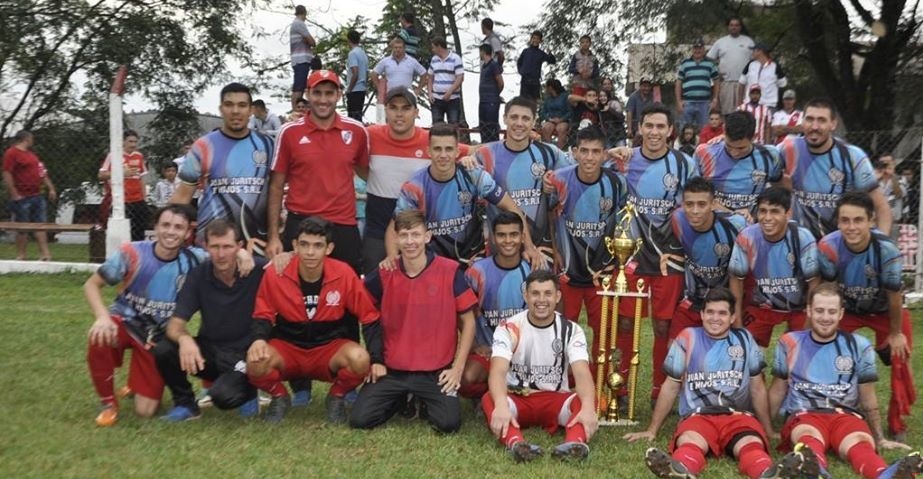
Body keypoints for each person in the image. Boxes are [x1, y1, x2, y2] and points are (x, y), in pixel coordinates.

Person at [624, 288, 799, 479]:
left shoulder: (745, 339)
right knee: (689, 441)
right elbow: (671, 386)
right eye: (710, 312)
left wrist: (767, 428)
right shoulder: (687, 337)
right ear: (702, 314)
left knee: (751, 442)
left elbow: (757, 388)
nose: (715, 318)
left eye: (722, 313)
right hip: (698, 416)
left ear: (732, 317)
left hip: (737, 416)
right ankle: (680, 471)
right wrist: (652, 429)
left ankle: (767, 474)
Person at [768, 282, 923, 479]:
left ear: (841, 313)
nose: (825, 317)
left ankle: (884, 475)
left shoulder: (860, 346)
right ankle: (816, 471)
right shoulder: (789, 342)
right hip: (806, 413)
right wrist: (767, 428)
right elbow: (777, 390)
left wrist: (879, 438)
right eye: (819, 311)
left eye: (831, 311)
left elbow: (867, 395)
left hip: (846, 415)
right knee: (807, 437)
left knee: (859, 442)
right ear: (808, 311)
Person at [350, 209, 476, 433]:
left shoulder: (449, 271)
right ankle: (400, 399)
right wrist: (375, 359)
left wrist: (457, 368)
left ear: (427, 237)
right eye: (404, 235)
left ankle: (421, 399)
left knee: (448, 424)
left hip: (435, 370)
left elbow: (468, 321)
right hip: (394, 370)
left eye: (416, 235)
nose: (410, 242)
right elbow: (363, 308)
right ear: (396, 239)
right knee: (361, 419)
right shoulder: (384, 273)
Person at [246, 217, 379, 423]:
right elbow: (262, 313)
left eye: (318, 246)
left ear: (329, 248)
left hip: (328, 350)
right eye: (305, 245)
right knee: (255, 361)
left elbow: (369, 316)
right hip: (288, 348)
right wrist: (258, 339)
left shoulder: (343, 274)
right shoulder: (276, 273)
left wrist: (377, 358)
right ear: (295, 246)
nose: (310, 252)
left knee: (360, 359)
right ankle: (280, 396)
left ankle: (336, 397)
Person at [84, 204, 207, 426]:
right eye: (166, 225)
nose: (171, 232)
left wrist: (242, 254)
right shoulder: (132, 253)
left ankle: (134, 382)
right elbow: (92, 285)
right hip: (123, 321)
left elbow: (224, 254)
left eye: (179, 227)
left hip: (155, 337)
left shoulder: (195, 259)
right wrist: (102, 317)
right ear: (156, 227)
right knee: (99, 335)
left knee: (146, 410)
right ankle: (108, 403)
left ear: (188, 233)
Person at [612, 103, 695, 402]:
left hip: (668, 257)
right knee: (624, 322)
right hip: (630, 255)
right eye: (649, 126)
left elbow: (695, 205)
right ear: (639, 128)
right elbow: (588, 163)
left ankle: (660, 389)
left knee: (663, 325)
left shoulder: (685, 165)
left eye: (661, 126)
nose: (654, 132)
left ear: (670, 130)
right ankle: (617, 386)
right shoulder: (625, 159)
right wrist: (612, 152)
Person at [816, 191, 916, 440]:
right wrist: (825, 324)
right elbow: (828, 289)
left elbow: (894, 295)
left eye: (858, 220)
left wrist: (895, 334)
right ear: (838, 222)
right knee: (827, 350)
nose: (852, 227)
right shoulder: (828, 246)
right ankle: (834, 409)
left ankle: (897, 422)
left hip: (884, 310)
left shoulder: (887, 250)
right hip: (848, 309)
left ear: (871, 220)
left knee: (900, 357)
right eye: (845, 220)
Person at [152, 219, 266, 421]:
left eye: (227, 247)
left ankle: (249, 390)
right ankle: (186, 404)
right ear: (205, 247)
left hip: (248, 354)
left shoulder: (257, 269)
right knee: (164, 348)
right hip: (212, 353)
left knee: (223, 397)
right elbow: (175, 326)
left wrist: (282, 256)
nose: (221, 254)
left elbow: (292, 264)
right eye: (215, 246)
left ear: (239, 246)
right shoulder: (199, 276)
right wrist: (185, 340)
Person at [483, 269, 598, 462]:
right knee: (490, 399)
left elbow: (582, 373)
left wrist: (587, 407)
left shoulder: (571, 330)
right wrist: (502, 405)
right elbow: (498, 371)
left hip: (555, 400)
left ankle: (574, 445)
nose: (541, 300)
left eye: (548, 293)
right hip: (518, 398)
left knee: (588, 400)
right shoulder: (508, 327)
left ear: (558, 296)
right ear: (525, 295)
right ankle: (517, 445)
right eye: (535, 293)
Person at [387, 123, 534, 266]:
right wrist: (393, 260)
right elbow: (395, 227)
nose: (443, 155)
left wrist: (529, 247)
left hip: (472, 258)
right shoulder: (414, 186)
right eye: (437, 149)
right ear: (429, 151)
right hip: (434, 262)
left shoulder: (472, 175)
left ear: (457, 152)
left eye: (449, 149)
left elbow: (511, 207)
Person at [267, 69, 368, 274]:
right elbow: (276, 186)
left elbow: (366, 173)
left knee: (348, 292)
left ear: (339, 95)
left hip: (343, 224)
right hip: (300, 222)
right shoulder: (289, 132)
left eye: (329, 93)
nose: (323, 100)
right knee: (295, 294)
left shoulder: (357, 131)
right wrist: (273, 236)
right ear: (307, 93)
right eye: (317, 92)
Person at [363, 87, 471, 272]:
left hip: (418, 232)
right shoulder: (370, 136)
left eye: (405, 108)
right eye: (393, 107)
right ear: (385, 109)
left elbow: (475, 151)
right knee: (377, 285)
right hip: (378, 229)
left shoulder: (430, 141)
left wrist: (525, 140)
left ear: (416, 112)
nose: (399, 114)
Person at [544, 126, 628, 358]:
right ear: (575, 152)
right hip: (568, 270)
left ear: (604, 154)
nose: (589, 157)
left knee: (604, 330)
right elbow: (550, 215)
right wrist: (554, 249)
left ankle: (601, 380)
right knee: (562, 328)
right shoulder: (560, 179)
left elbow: (624, 220)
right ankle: (564, 381)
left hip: (602, 271)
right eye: (584, 151)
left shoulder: (617, 183)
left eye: (595, 151)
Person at [171, 83, 273, 251]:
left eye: (242, 105)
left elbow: (277, 191)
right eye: (229, 105)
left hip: (255, 243)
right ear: (220, 109)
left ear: (250, 110)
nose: (235, 111)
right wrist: (169, 234)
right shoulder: (203, 146)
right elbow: (182, 198)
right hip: (211, 245)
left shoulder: (268, 145)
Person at [473, 95, 573, 264]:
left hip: (542, 250)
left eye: (525, 118)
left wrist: (554, 187)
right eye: (514, 117)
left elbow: (575, 182)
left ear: (534, 122)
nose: (519, 123)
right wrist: (465, 160)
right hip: (501, 251)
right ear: (504, 119)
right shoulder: (485, 155)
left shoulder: (550, 153)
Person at [780, 98, 891, 239]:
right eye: (809, 119)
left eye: (821, 120)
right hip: (802, 246)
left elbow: (881, 206)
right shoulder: (789, 149)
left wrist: (883, 245)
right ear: (802, 122)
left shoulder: (852, 156)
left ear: (833, 124)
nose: (814, 126)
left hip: (841, 247)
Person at [728, 187, 819, 347]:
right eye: (763, 211)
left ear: (788, 213)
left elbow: (814, 283)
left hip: (799, 308)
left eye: (775, 211)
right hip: (761, 306)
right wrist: (737, 323)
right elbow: (736, 280)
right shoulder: (747, 237)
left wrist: (810, 322)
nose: (767, 218)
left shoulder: (803, 237)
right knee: (744, 352)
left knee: (800, 354)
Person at [459, 211, 531, 399]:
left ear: (522, 237)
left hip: (524, 351)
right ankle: (489, 394)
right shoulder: (477, 271)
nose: (508, 240)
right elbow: (462, 312)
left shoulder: (533, 270)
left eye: (513, 234)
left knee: (568, 369)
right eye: (501, 235)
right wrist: (475, 345)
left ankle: (510, 391)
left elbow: (554, 307)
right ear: (492, 237)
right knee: (467, 378)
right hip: (488, 350)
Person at [664, 177, 747, 338]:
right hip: (691, 301)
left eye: (702, 204)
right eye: (689, 204)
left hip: (723, 302)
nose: (695, 211)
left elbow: (738, 275)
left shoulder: (737, 226)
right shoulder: (677, 219)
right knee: (675, 349)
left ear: (714, 204)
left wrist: (736, 320)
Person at [695, 110, 784, 223]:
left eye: (741, 148)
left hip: (753, 226)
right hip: (714, 224)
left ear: (754, 137)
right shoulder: (704, 153)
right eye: (729, 146)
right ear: (724, 131)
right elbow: (695, 196)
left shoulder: (770, 156)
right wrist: (733, 214)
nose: (734, 153)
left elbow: (779, 187)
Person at [2, 130, 56, 261]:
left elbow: (41, 172)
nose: (33, 141)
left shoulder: (32, 155)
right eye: (31, 138)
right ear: (25, 139)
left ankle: (45, 254)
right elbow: (7, 173)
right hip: (22, 196)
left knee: (40, 225)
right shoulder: (12, 153)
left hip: (36, 195)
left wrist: (51, 188)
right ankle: (21, 254)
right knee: (22, 227)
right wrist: (14, 193)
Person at [99, 129, 148, 241]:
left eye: (135, 142)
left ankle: (138, 255)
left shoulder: (139, 156)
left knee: (139, 232)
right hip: (121, 200)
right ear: (123, 142)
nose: (133, 144)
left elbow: (142, 178)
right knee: (123, 233)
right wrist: (121, 173)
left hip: (138, 200)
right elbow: (101, 175)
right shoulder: (113, 155)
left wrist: (144, 198)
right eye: (130, 141)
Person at [707, 16, 755, 115]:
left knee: (744, 112)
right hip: (726, 83)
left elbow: (755, 60)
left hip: (744, 83)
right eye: (731, 25)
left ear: (740, 27)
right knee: (727, 113)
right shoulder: (720, 42)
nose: (734, 27)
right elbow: (709, 59)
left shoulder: (748, 42)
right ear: (728, 27)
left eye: (736, 25)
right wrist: (716, 72)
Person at [675, 38, 719, 132]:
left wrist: (715, 99)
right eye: (695, 48)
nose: (697, 50)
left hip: (704, 103)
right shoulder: (685, 63)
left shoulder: (710, 64)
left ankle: (702, 147)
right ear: (692, 49)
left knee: (704, 129)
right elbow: (679, 83)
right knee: (685, 129)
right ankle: (685, 147)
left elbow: (716, 81)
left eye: (700, 48)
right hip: (687, 102)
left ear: (703, 49)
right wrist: (678, 101)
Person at [372, 36, 427, 103]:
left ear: (404, 48)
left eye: (400, 47)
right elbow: (374, 74)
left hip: (407, 97)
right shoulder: (385, 61)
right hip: (390, 96)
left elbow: (424, 73)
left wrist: (418, 89)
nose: (397, 49)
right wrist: (380, 89)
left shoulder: (412, 61)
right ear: (392, 48)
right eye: (395, 47)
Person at [427, 37, 465, 125]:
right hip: (436, 99)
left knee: (453, 124)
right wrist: (429, 93)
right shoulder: (434, 59)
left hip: (452, 98)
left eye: (433, 47)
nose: (432, 50)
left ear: (439, 47)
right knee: (437, 124)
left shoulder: (456, 58)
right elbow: (430, 77)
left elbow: (460, 78)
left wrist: (450, 92)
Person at [739, 42, 786, 110]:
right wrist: (740, 103)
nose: (752, 53)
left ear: (760, 51)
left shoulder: (775, 66)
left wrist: (780, 105)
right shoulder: (750, 65)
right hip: (750, 104)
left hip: (769, 105)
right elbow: (741, 83)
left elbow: (782, 85)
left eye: (754, 50)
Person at [289, 5, 316, 111]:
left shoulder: (296, 24)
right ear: (304, 13)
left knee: (300, 86)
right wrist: (310, 41)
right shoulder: (299, 24)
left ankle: (297, 109)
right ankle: (296, 110)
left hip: (300, 59)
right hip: (301, 59)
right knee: (298, 88)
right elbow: (312, 41)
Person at [516, 30, 556, 100]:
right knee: (523, 101)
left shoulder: (541, 53)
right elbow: (519, 62)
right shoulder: (525, 51)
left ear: (540, 41)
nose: (535, 40)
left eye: (537, 39)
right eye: (534, 38)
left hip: (535, 81)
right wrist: (521, 71)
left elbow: (552, 61)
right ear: (531, 39)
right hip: (525, 80)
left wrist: (550, 53)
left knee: (533, 102)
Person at [875, 154, 906, 237]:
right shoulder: (874, 179)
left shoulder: (900, 179)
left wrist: (892, 175)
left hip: (893, 221)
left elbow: (900, 194)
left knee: (892, 247)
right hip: (876, 221)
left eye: (888, 162)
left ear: (893, 164)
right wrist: (876, 177)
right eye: (882, 163)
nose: (885, 164)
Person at [479, 43, 504, 143]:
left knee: (491, 127)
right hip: (483, 100)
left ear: (483, 52)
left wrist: (495, 94)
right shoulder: (484, 66)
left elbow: (500, 82)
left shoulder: (493, 65)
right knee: (483, 127)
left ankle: (494, 148)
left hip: (491, 101)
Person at [540, 79, 573, 149]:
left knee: (561, 128)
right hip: (551, 120)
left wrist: (561, 119)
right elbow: (543, 112)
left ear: (551, 87)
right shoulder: (548, 99)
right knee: (545, 127)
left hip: (563, 119)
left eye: (547, 87)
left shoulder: (565, 96)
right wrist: (548, 118)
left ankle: (559, 151)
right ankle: (549, 149)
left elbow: (570, 111)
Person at [345, 29, 369, 122]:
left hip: (355, 89)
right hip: (362, 88)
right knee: (358, 117)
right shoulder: (363, 53)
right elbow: (366, 72)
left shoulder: (352, 53)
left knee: (352, 118)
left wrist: (349, 89)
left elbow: (355, 73)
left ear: (349, 40)